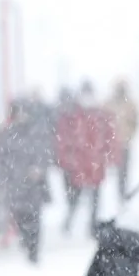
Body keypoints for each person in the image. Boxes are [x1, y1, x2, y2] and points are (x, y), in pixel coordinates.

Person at [0, 100, 53, 263]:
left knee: (35, 218)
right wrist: (1, 179)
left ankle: (34, 250)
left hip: (33, 184)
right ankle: (27, 242)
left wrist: (39, 168)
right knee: (19, 216)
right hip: (15, 183)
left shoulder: (37, 133)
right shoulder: (6, 134)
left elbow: (46, 153)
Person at [55, 82, 115, 237]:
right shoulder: (73, 115)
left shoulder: (100, 115)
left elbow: (109, 137)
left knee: (94, 198)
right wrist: (67, 159)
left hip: (94, 164)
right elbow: (64, 139)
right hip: (80, 164)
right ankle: (69, 223)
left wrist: (107, 155)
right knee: (75, 197)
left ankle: (91, 227)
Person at [105, 80, 139, 200]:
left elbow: (135, 123)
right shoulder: (108, 103)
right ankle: (108, 198)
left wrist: (128, 136)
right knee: (108, 172)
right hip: (110, 145)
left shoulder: (130, 105)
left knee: (123, 172)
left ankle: (121, 194)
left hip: (124, 144)